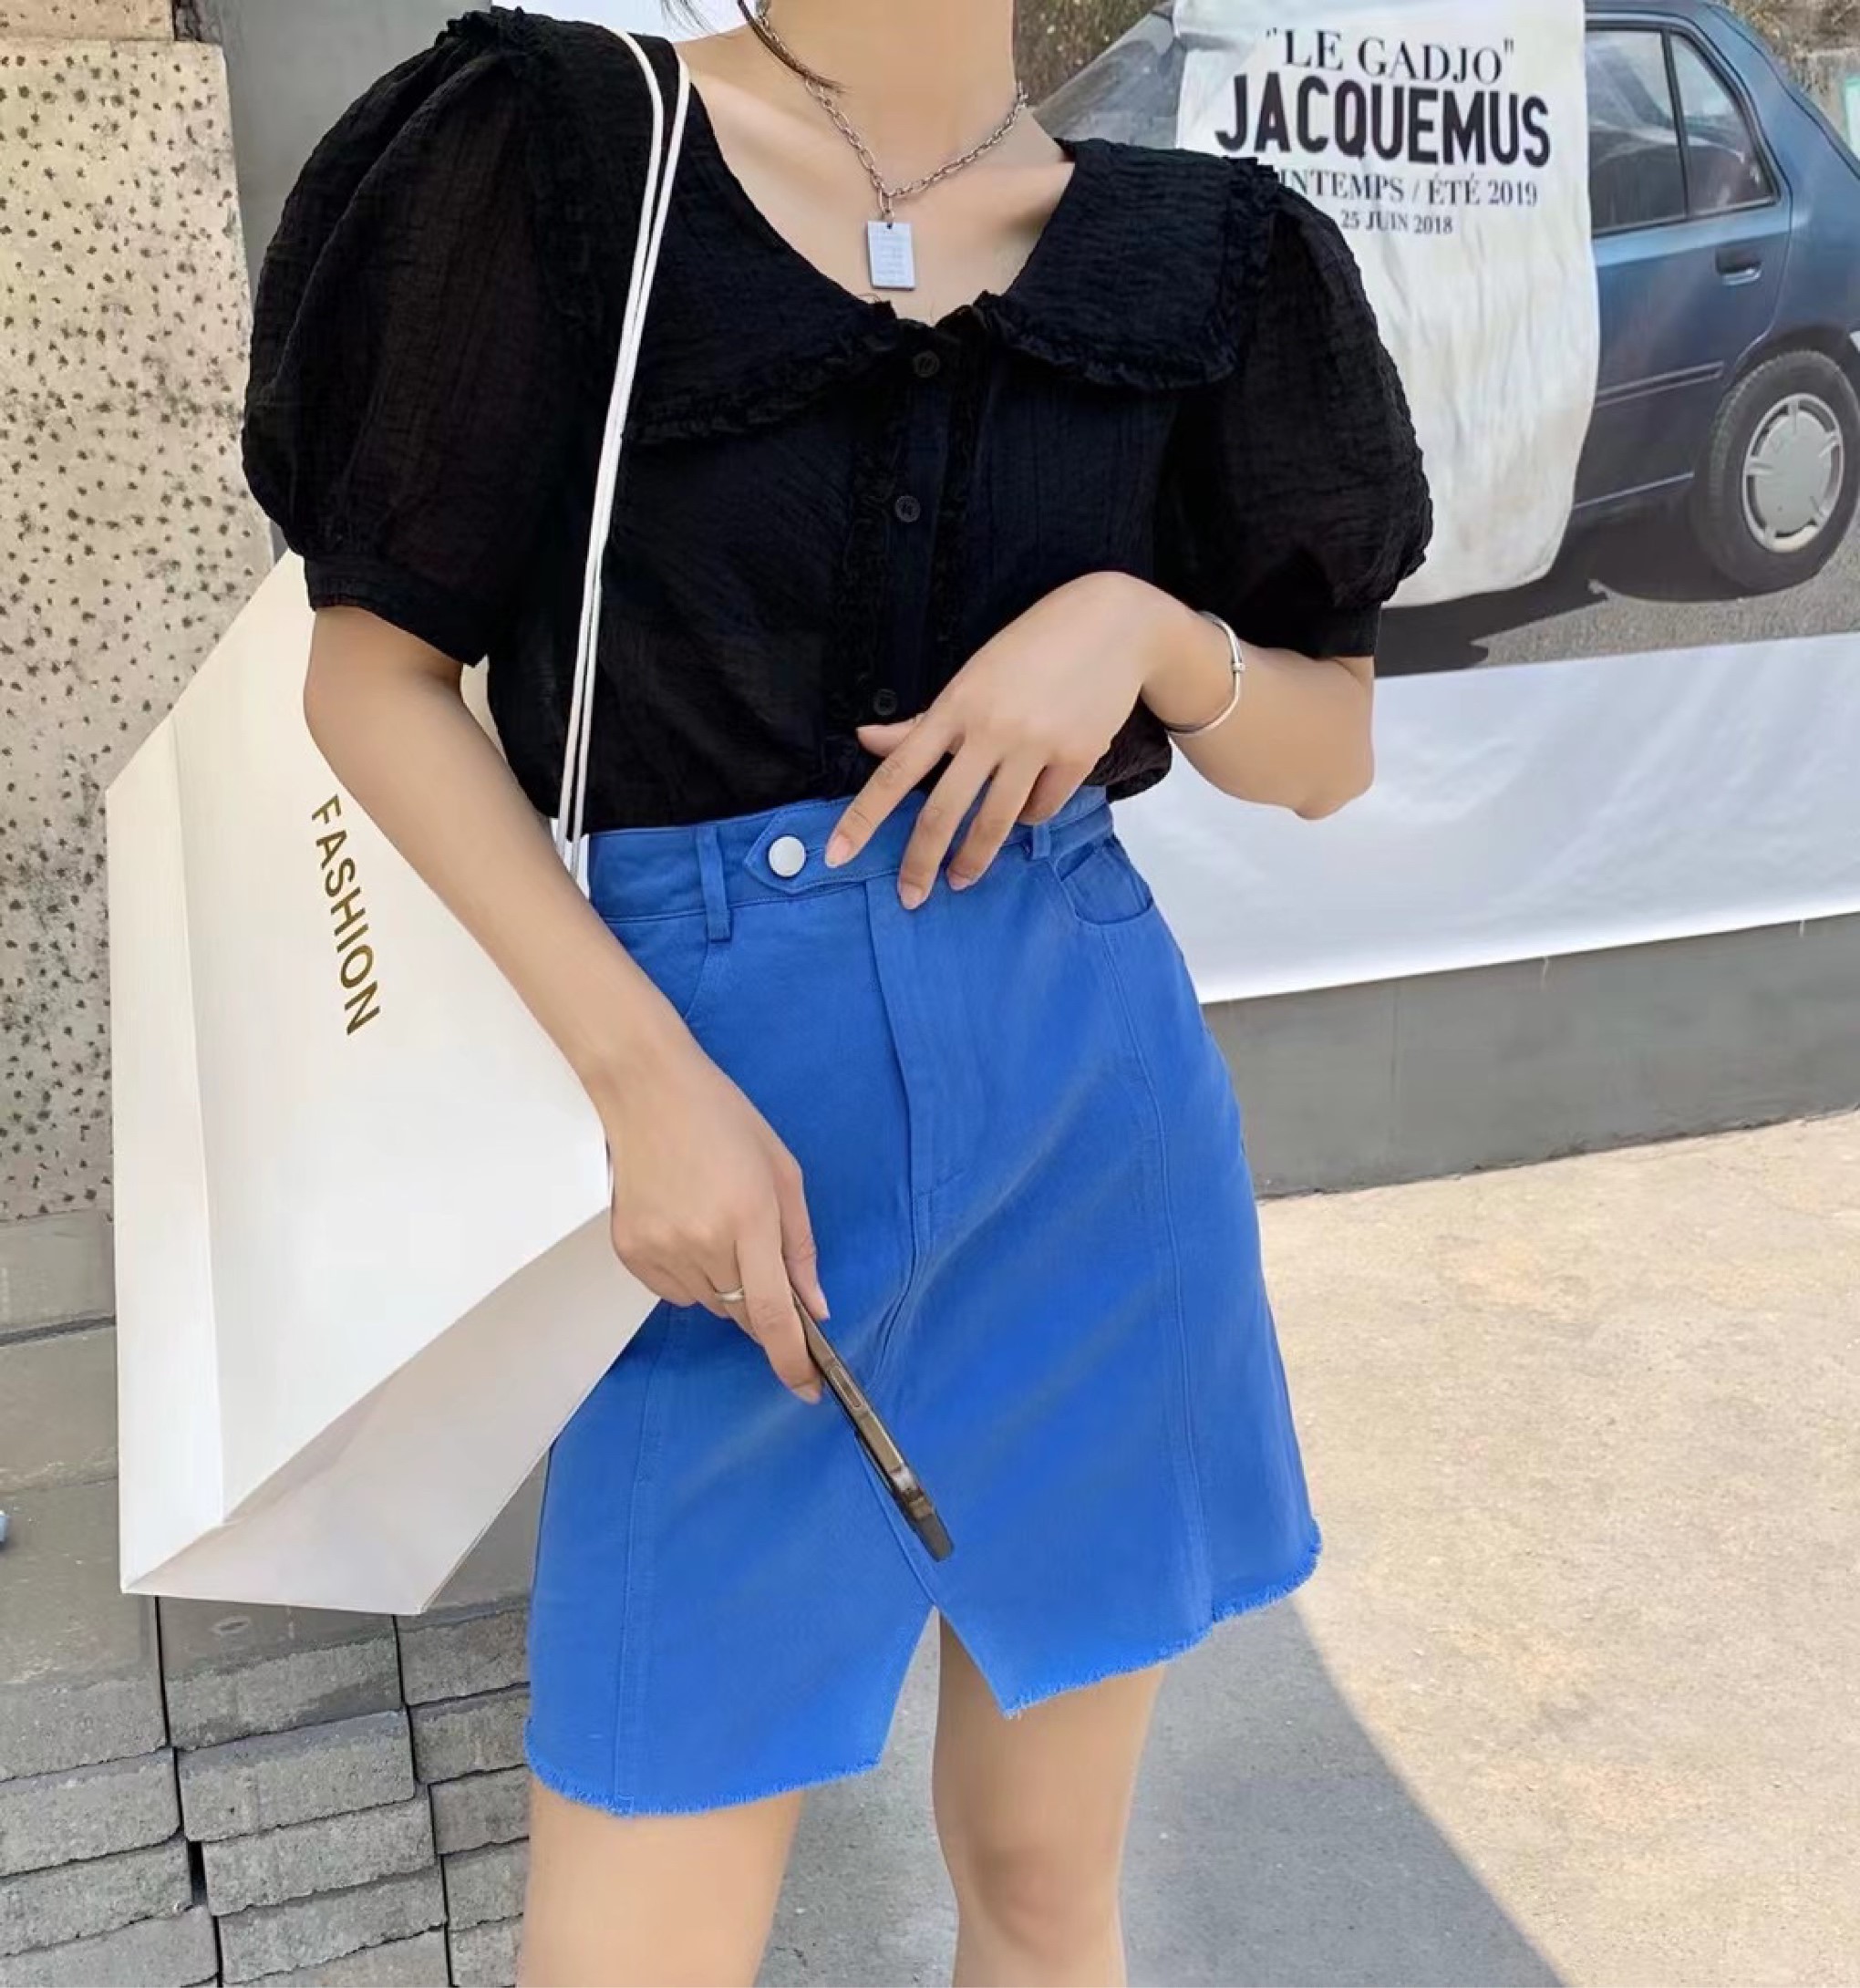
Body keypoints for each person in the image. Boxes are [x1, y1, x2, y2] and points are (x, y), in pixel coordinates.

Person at [240, 3, 1431, 1981]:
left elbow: (1330, 749)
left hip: (1091, 1147)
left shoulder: (1197, 250)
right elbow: (372, 677)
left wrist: (1147, 633)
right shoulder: (567, 150)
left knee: (1045, 1889)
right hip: (716, 1186)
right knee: (629, 1951)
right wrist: (647, 1086)